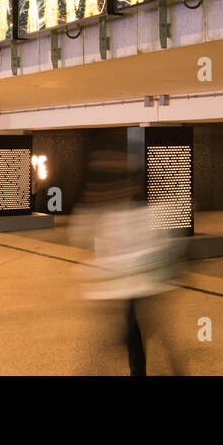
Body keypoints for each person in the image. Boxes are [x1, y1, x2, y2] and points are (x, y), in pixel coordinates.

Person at [73, 149, 186, 376]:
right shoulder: (120, 215)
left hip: (141, 285)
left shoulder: (137, 214)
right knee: (139, 328)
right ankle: (142, 367)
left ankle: (145, 367)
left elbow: (163, 246)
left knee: (139, 329)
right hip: (135, 285)